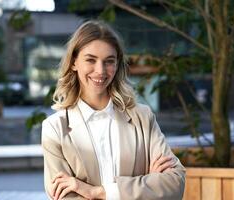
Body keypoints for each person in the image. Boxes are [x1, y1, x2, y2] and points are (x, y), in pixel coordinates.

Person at [41, 20, 185, 200]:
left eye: (109, 61)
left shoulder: (142, 117)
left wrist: (96, 192)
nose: (100, 71)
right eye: (90, 60)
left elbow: (174, 183)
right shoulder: (55, 129)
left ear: (117, 66)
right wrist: (146, 184)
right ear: (73, 63)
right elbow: (63, 197)